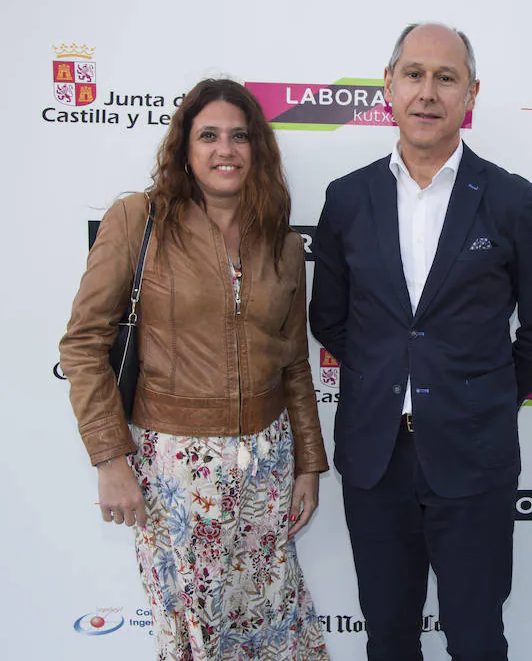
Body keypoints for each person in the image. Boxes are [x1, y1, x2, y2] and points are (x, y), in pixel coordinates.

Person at [309, 23, 532, 661]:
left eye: (446, 77)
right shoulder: (347, 199)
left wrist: (478, 394)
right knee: (390, 636)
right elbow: (330, 319)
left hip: (473, 458)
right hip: (376, 460)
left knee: (476, 637)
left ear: (470, 94)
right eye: (414, 74)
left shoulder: (512, 201)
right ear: (389, 87)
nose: (428, 92)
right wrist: (389, 372)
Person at [60, 78, 330, 661]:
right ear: (185, 147)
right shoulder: (139, 219)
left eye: (239, 136)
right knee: (194, 636)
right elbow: (83, 344)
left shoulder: (281, 242)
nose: (224, 150)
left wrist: (308, 463)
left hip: (266, 466)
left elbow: (294, 364)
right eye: (208, 136)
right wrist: (111, 458)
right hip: (173, 473)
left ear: (257, 148)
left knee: (275, 633)